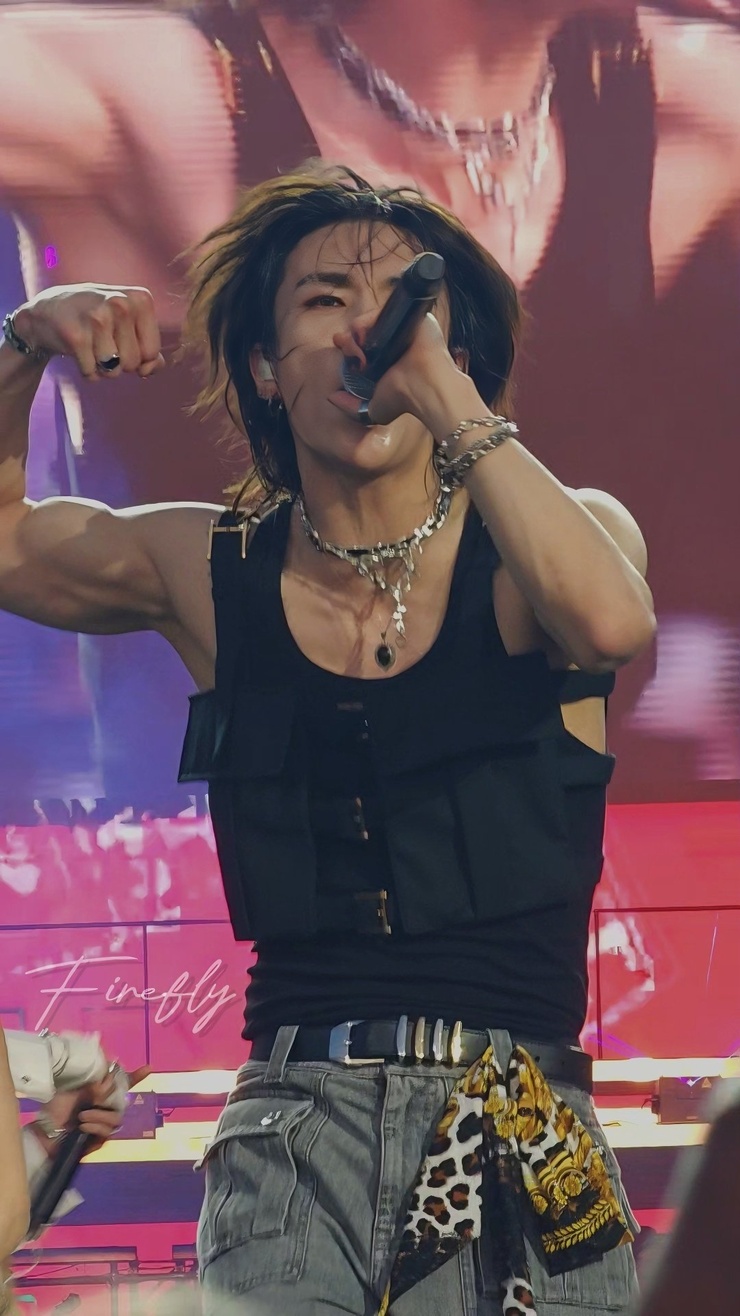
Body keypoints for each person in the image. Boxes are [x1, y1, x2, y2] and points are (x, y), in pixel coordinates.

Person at [0, 167, 655, 1312]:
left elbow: (610, 623)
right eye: (323, 301)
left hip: (519, 1132)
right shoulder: (210, 567)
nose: (368, 326)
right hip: (294, 1136)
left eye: (404, 301)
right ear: (264, 366)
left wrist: (445, 397)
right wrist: (21, 346)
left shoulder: (555, 542)